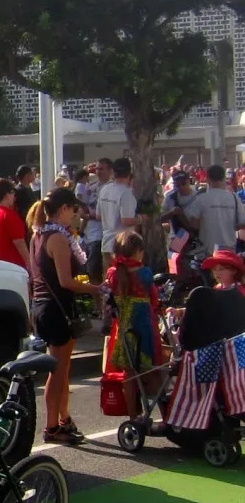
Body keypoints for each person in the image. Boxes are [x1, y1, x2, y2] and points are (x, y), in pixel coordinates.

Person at [29, 188, 102, 444]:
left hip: (44, 306)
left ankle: (63, 419)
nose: (75, 214)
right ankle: (52, 427)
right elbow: (66, 281)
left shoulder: (38, 234)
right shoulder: (57, 239)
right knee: (57, 372)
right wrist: (96, 288)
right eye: (72, 209)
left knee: (63, 368)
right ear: (62, 210)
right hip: (55, 307)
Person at [105, 231, 165, 418]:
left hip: (123, 331)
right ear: (138, 251)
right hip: (144, 330)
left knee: (129, 374)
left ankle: (133, 415)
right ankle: (166, 415)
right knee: (153, 371)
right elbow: (154, 300)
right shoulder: (144, 273)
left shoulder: (113, 274)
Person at [95, 158, 139, 282]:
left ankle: (107, 302)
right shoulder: (126, 193)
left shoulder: (105, 189)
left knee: (108, 283)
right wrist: (142, 218)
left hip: (106, 244)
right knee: (123, 285)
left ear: (113, 172)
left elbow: (98, 216)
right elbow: (126, 221)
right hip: (122, 246)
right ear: (129, 173)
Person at [186, 164, 245, 254]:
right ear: (224, 178)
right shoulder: (234, 197)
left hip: (207, 250)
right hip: (229, 250)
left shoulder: (201, 199)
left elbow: (194, 225)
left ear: (208, 179)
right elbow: (242, 223)